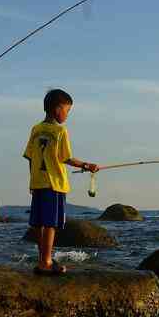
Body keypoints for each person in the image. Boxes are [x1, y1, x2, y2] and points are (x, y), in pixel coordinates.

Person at [22, 88, 98, 275]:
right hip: (54, 184)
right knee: (51, 224)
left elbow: (30, 157)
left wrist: (32, 181)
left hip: (38, 183)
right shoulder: (60, 131)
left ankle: (43, 260)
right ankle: (46, 262)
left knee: (39, 223)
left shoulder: (36, 129)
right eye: (67, 110)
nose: (67, 114)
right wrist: (87, 165)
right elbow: (66, 158)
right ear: (57, 109)